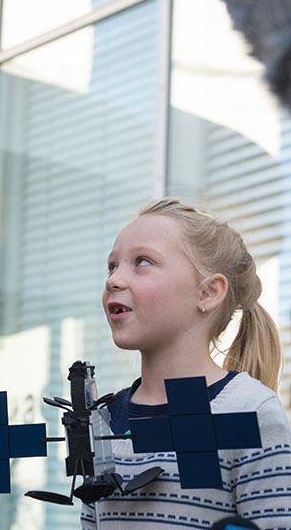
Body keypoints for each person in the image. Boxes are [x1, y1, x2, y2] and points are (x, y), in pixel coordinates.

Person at [81, 198, 291, 528]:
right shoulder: (103, 420)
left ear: (208, 292)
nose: (114, 280)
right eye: (112, 266)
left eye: (142, 262)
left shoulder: (252, 411)